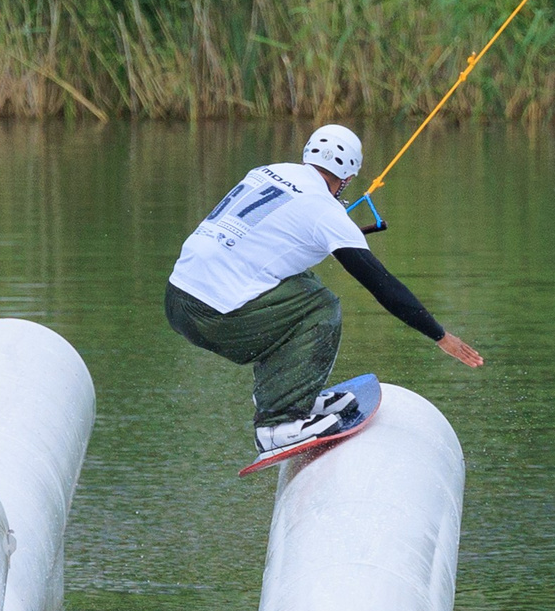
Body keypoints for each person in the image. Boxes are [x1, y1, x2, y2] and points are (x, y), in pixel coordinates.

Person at [165, 123, 484, 452]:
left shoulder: (267, 171)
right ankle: (277, 424)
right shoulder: (326, 212)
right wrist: (440, 335)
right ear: (347, 176)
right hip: (215, 316)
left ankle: (294, 393)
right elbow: (382, 285)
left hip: (177, 299)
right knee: (320, 305)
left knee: (302, 283)